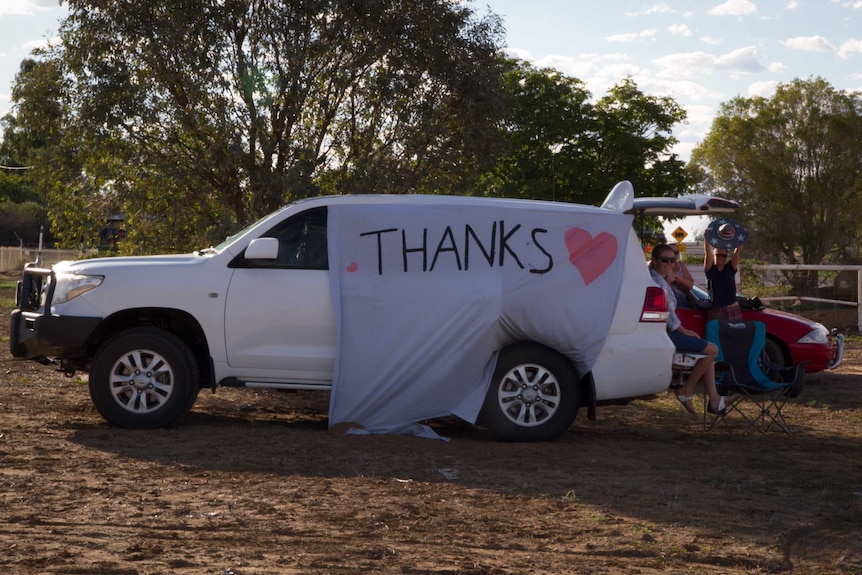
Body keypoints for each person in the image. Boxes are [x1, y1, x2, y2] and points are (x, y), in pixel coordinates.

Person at [649, 244, 730, 416]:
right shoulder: (657, 284)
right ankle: (686, 389)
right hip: (666, 334)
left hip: (667, 331)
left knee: (707, 353)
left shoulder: (662, 281)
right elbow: (668, 317)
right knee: (712, 350)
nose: (669, 263)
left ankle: (714, 399)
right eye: (665, 260)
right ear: (654, 260)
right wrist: (684, 331)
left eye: (672, 260)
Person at [704, 240, 744, 321]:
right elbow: (707, 254)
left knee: (734, 333)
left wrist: (742, 236)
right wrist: (706, 238)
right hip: (716, 310)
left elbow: (737, 252)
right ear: (713, 255)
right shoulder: (710, 270)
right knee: (716, 333)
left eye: (724, 256)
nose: (721, 258)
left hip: (732, 309)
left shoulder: (730, 268)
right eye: (718, 255)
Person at [667, 243, 694, 309]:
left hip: (681, 305)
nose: (673, 254)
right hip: (666, 304)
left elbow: (690, 284)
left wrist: (676, 276)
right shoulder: (660, 266)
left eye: (676, 252)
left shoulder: (681, 265)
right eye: (671, 252)